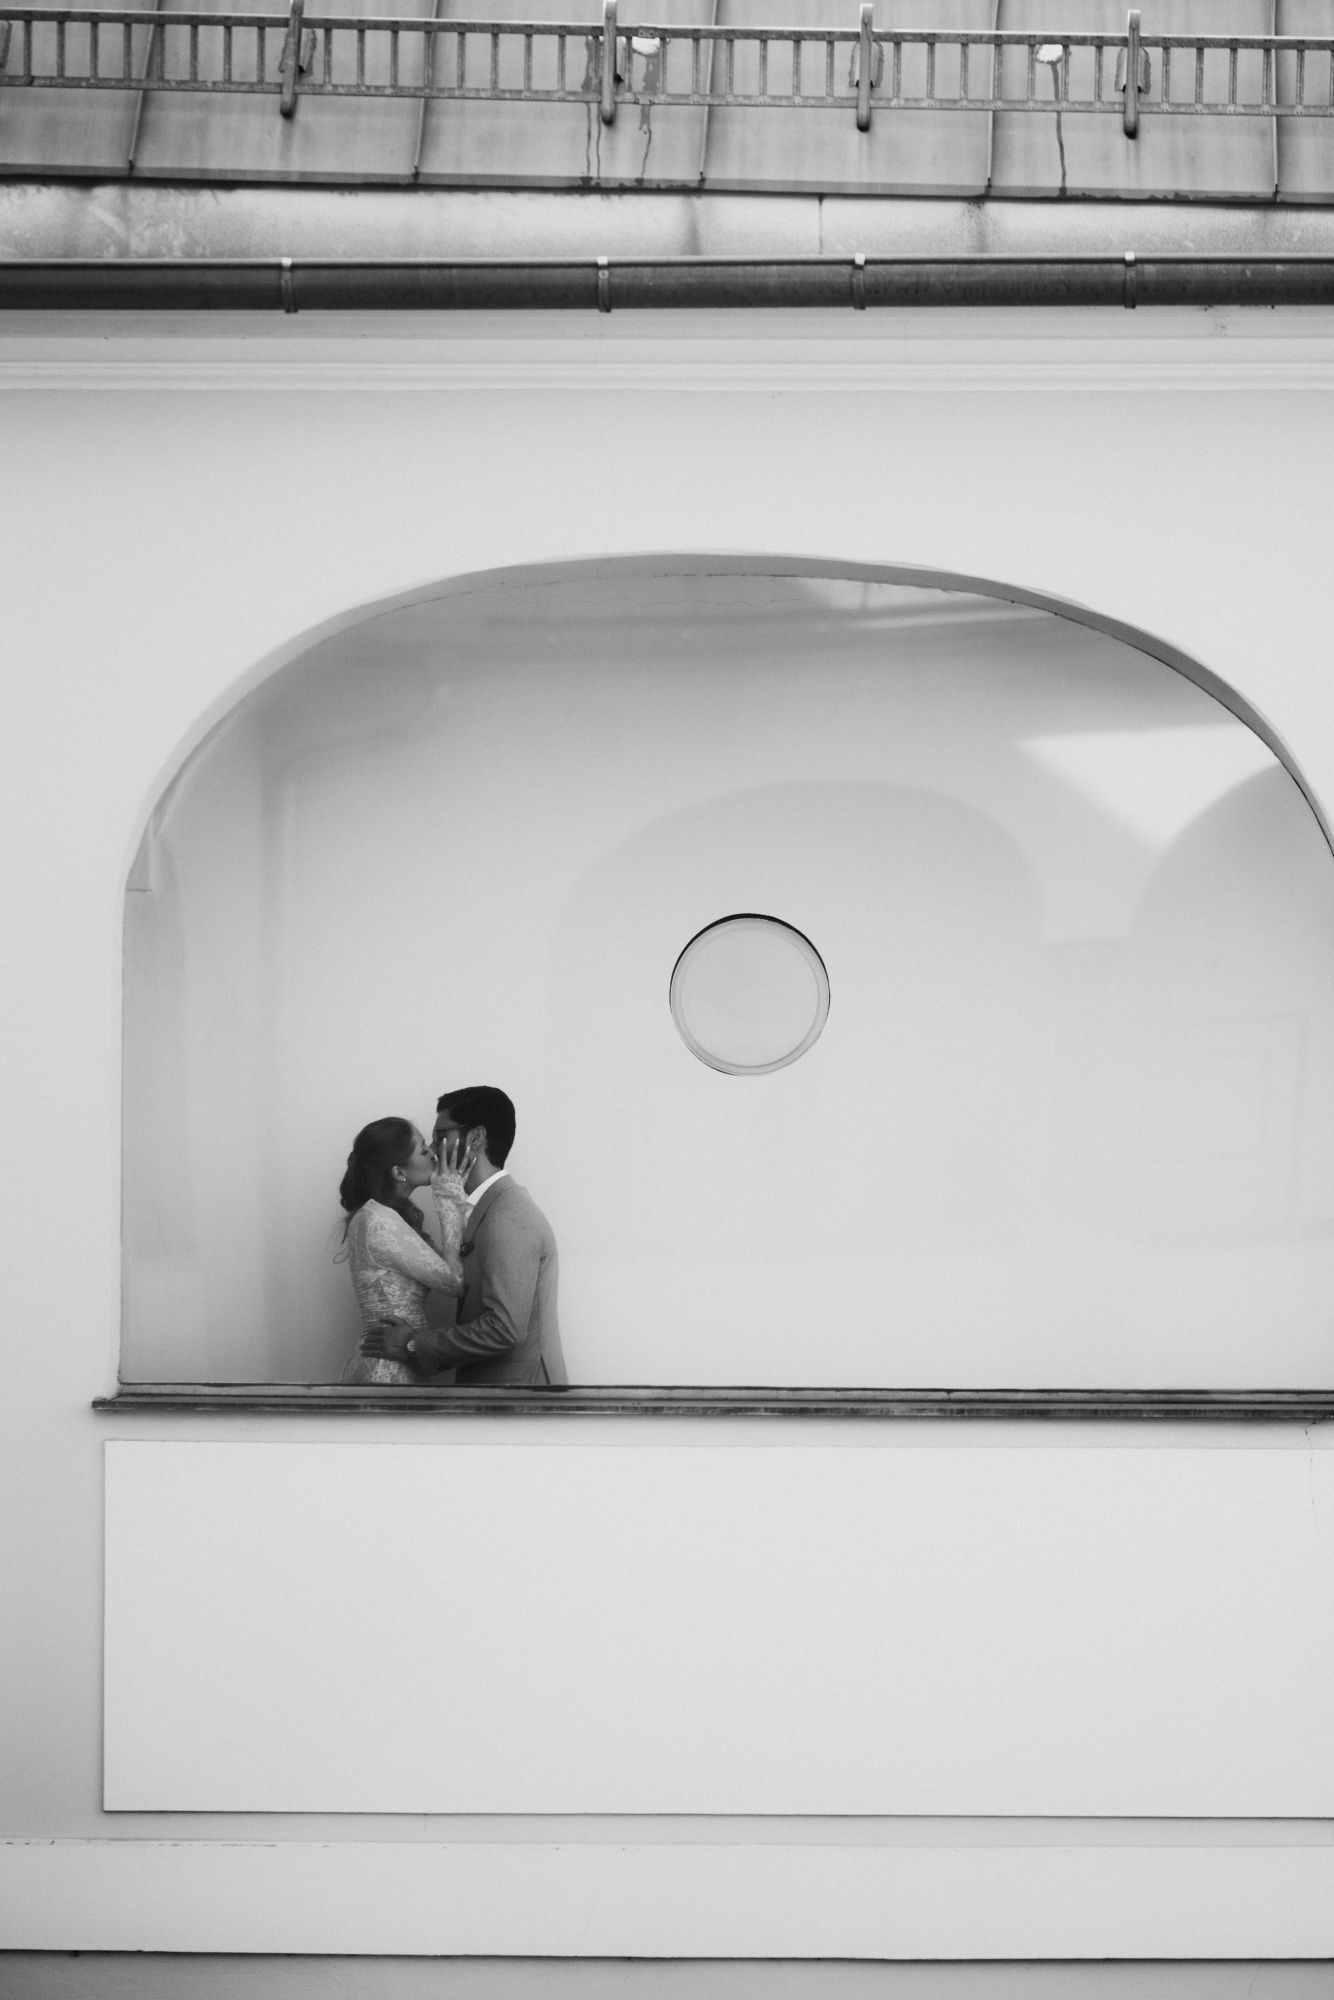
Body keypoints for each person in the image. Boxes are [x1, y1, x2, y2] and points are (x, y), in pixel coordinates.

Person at [360, 1086, 567, 1387]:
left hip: (520, 1401)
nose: (432, 1148)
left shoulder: (507, 1215)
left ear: (475, 1138)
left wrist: (413, 1344)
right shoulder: (486, 1209)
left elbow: (504, 1329)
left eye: (441, 1135)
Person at [336, 1116, 472, 1386]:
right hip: (386, 1371)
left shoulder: (383, 1216)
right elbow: (455, 1282)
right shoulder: (377, 1221)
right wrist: (449, 1198)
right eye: (423, 1150)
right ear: (399, 1173)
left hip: (402, 1362)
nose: (434, 1153)